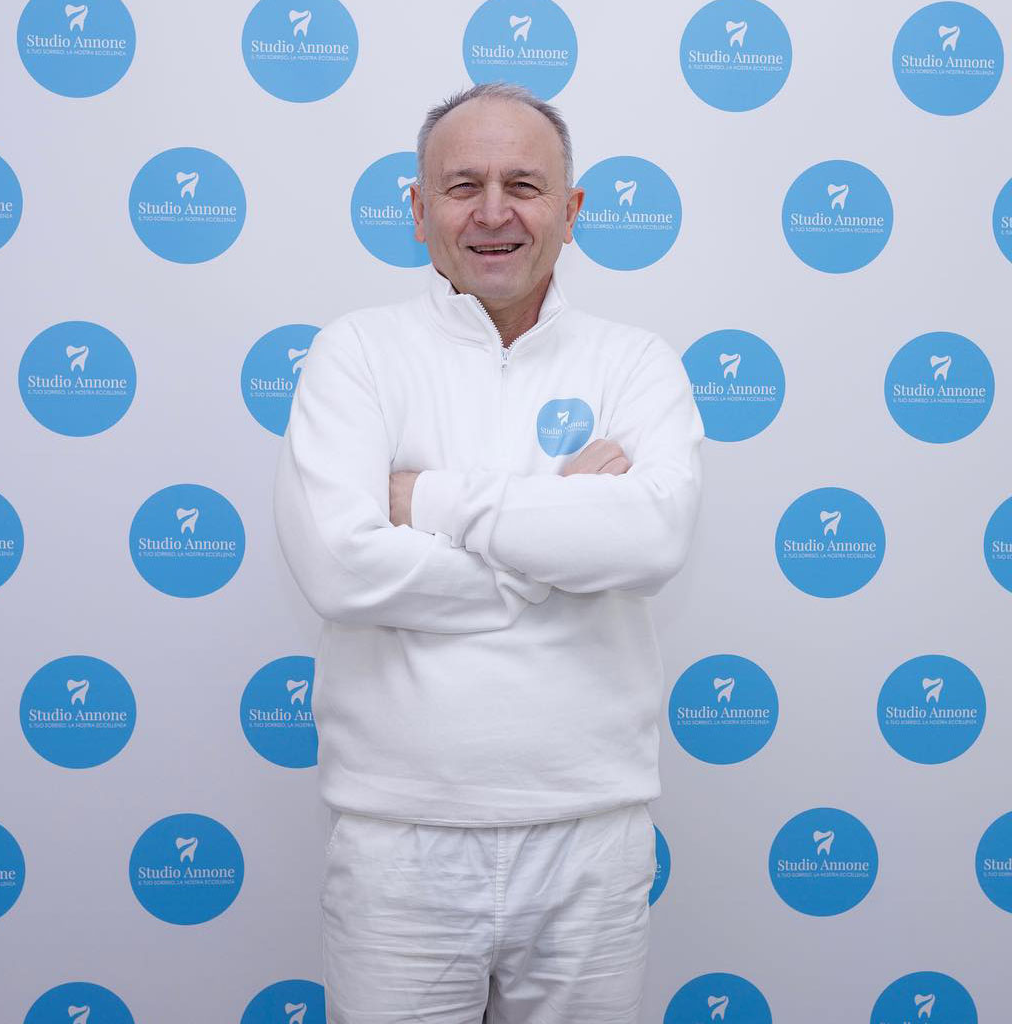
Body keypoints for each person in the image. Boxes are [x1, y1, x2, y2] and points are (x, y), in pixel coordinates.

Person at [274, 82, 704, 1024]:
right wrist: (548, 552)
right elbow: (342, 567)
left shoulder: (636, 362)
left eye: (525, 185)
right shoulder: (356, 354)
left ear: (571, 209)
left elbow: (652, 536)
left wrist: (428, 498)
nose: (494, 212)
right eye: (464, 186)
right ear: (419, 209)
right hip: (399, 845)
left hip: (592, 838)